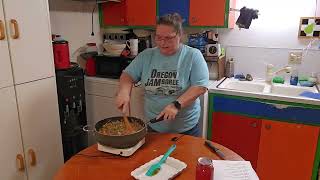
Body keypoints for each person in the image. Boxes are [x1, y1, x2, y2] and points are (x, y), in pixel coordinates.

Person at [115, 13, 209, 137]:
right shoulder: (146, 55)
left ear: (180, 35)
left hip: (186, 130)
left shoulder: (193, 55)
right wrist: (124, 93)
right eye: (158, 37)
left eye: (168, 38)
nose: (162, 42)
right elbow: (127, 75)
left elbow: (200, 87)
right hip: (154, 127)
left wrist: (176, 105)